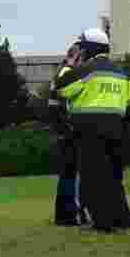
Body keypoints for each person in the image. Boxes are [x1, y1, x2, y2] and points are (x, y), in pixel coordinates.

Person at [54, 28, 130, 233]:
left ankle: (103, 221)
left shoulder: (87, 70)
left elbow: (61, 88)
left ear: (89, 48)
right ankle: (122, 218)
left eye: (81, 47)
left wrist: (68, 65)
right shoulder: (121, 72)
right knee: (113, 177)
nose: (79, 51)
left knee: (93, 177)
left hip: (90, 130)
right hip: (117, 129)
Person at [50, 40, 87, 226]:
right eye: (81, 58)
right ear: (75, 57)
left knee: (67, 175)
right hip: (68, 131)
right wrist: (70, 128)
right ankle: (69, 215)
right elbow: (63, 106)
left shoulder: (60, 72)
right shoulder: (68, 74)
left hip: (63, 131)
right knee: (70, 175)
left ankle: (63, 215)